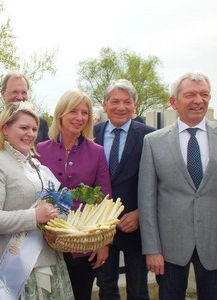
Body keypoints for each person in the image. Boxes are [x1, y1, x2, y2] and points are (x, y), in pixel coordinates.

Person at [0, 102, 74, 299]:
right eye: (23, 127)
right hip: (9, 267)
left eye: (34, 129)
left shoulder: (37, 166)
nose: (30, 134)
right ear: (5, 129)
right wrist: (33, 216)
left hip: (49, 262)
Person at [138, 72, 217, 300]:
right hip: (170, 249)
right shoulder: (153, 142)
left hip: (213, 243)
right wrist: (152, 249)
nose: (198, 100)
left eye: (204, 94)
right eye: (190, 94)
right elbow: (147, 199)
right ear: (173, 101)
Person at [36, 88, 112, 300]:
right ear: (61, 113)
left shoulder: (96, 152)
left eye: (85, 113)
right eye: (73, 111)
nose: (79, 118)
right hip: (47, 244)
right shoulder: (40, 149)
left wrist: (103, 244)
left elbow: (105, 199)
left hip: (83, 246)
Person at [94, 79, 155, 300]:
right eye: (115, 101)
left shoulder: (150, 135)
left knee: (139, 290)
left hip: (136, 226)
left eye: (127, 102)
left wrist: (140, 213)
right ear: (104, 104)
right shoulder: (92, 133)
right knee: (106, 287)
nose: (121, 107)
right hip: (101, 227)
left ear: (135, 105)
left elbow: (157, 181)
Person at [0, 71, 49, 143]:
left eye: (24, 93)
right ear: (3, 94)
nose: (20, 97)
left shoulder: (41, 124)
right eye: (15, 92)